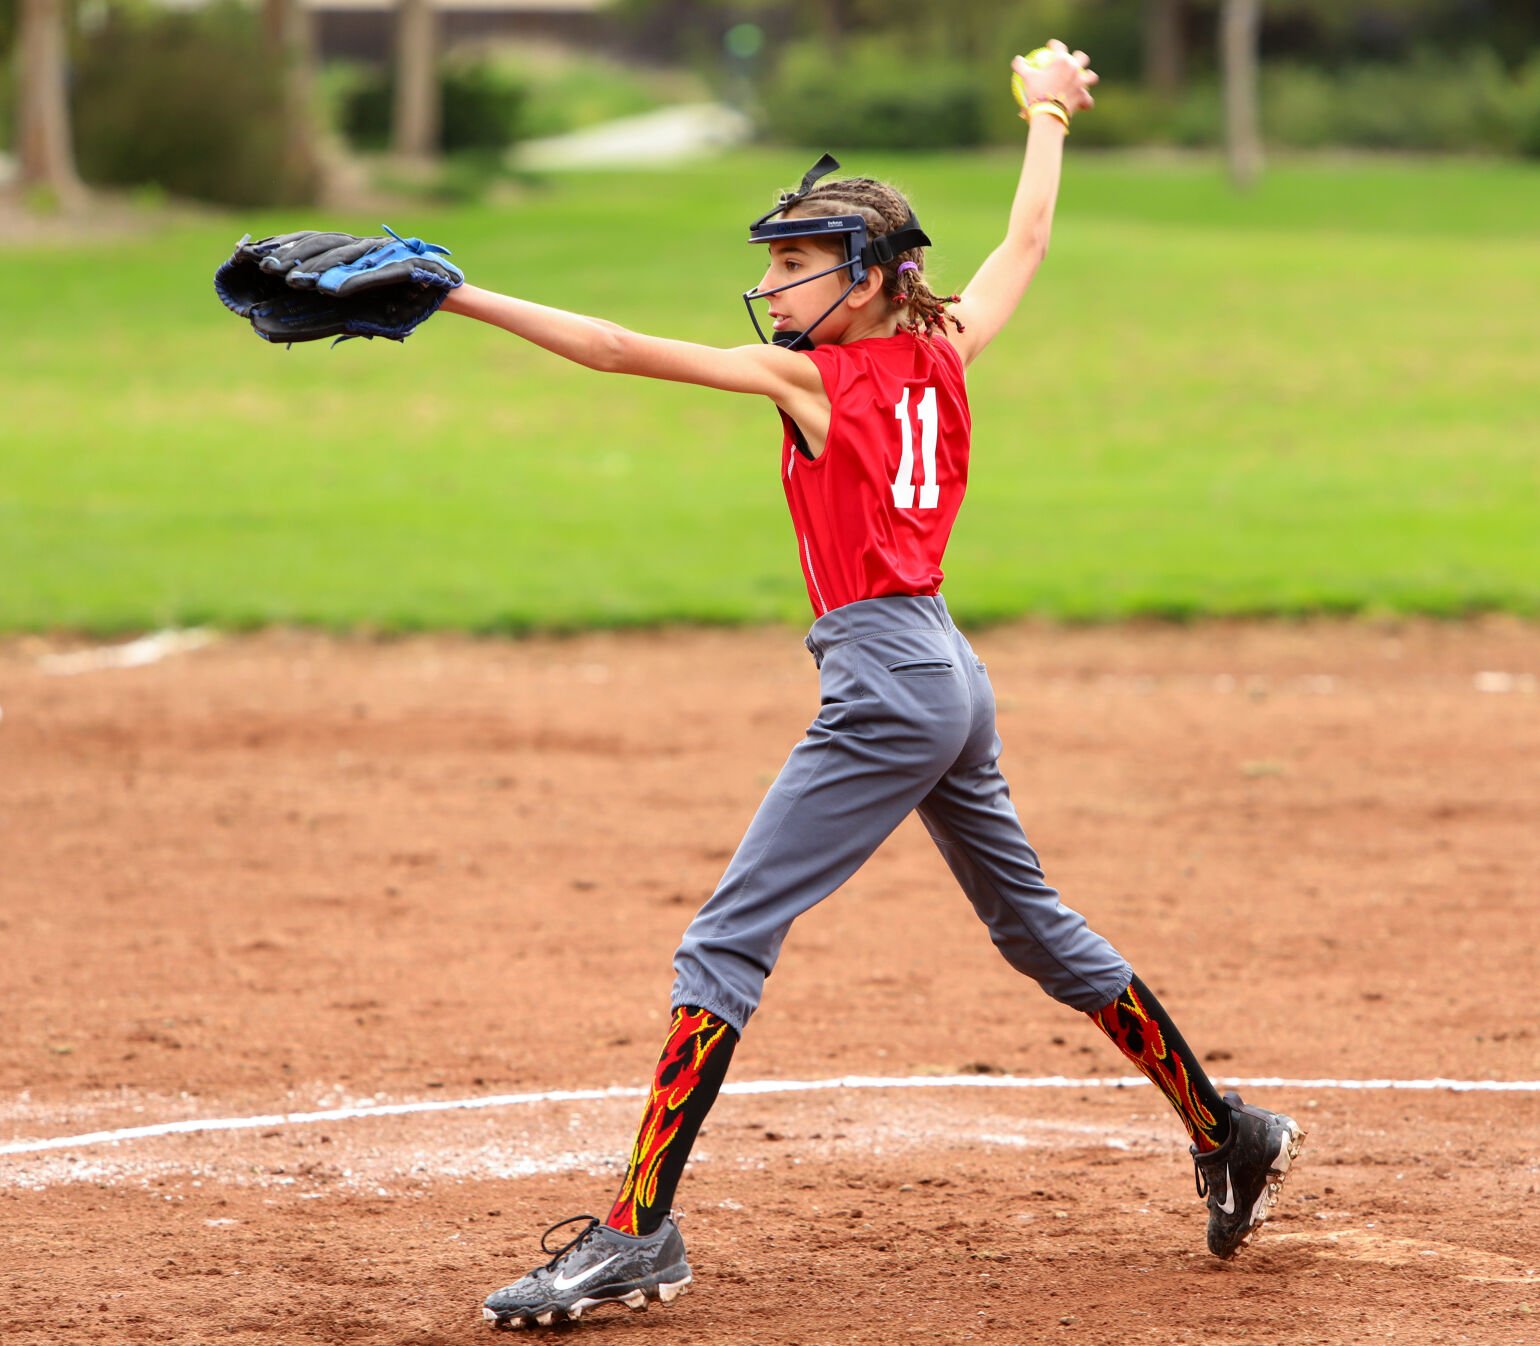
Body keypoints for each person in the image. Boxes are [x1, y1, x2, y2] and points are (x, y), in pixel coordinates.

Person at [439, 41, 1305, 1332]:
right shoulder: (944, 341)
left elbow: (616, 349)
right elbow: (1023, 245)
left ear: (862, 281)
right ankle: (1229, 1129)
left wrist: (455, 294)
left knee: (726, 936)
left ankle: (636, 1227)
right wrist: (1049, 111)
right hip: (947, 666)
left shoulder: (816, 381)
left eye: (797, 266)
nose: (772, 285)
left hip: (889, 684)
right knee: (1035, 928)